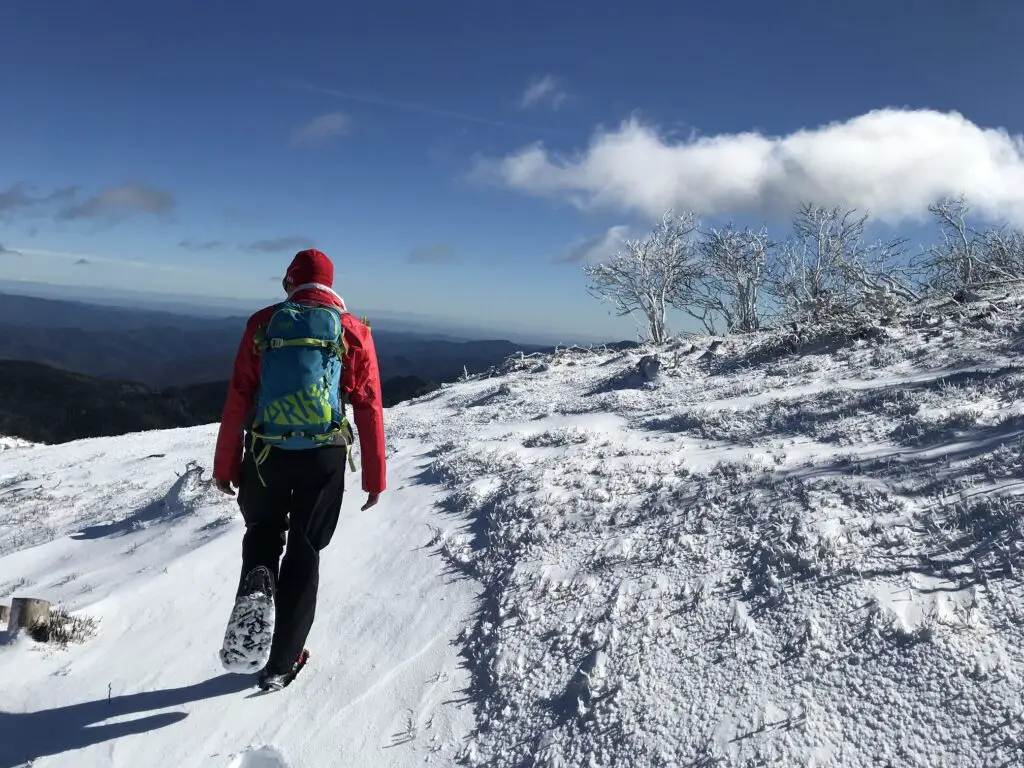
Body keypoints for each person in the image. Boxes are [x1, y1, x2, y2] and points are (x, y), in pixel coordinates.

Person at [213, 248, 386, 688]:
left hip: (267, 453)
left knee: (263, 535)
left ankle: (257, 581)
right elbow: (368, 405)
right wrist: (374, 477)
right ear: (330, 285)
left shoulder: (264, 323)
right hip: (324, 455)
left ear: (291, 282)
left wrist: (226, 465)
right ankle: (283, 661)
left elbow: (238, 398)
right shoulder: (352, 330)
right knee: (306, 550)